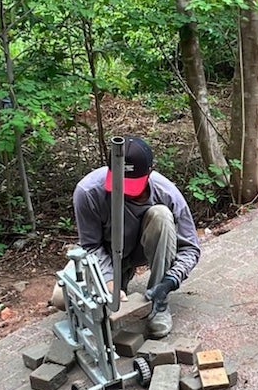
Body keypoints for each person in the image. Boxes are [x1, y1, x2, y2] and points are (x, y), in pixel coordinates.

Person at [71, 136, 201, 338]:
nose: (124, 192)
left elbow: (191, 248)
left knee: (161, 215)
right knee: (63, 299)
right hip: (109, 254)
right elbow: (90, 246)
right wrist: (108, 280)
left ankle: (158, 303)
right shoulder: (88, 192)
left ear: (149, 173)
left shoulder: (166, 192)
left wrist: (169, 282)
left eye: (131, 186)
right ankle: (120, 277)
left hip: (143, 247)